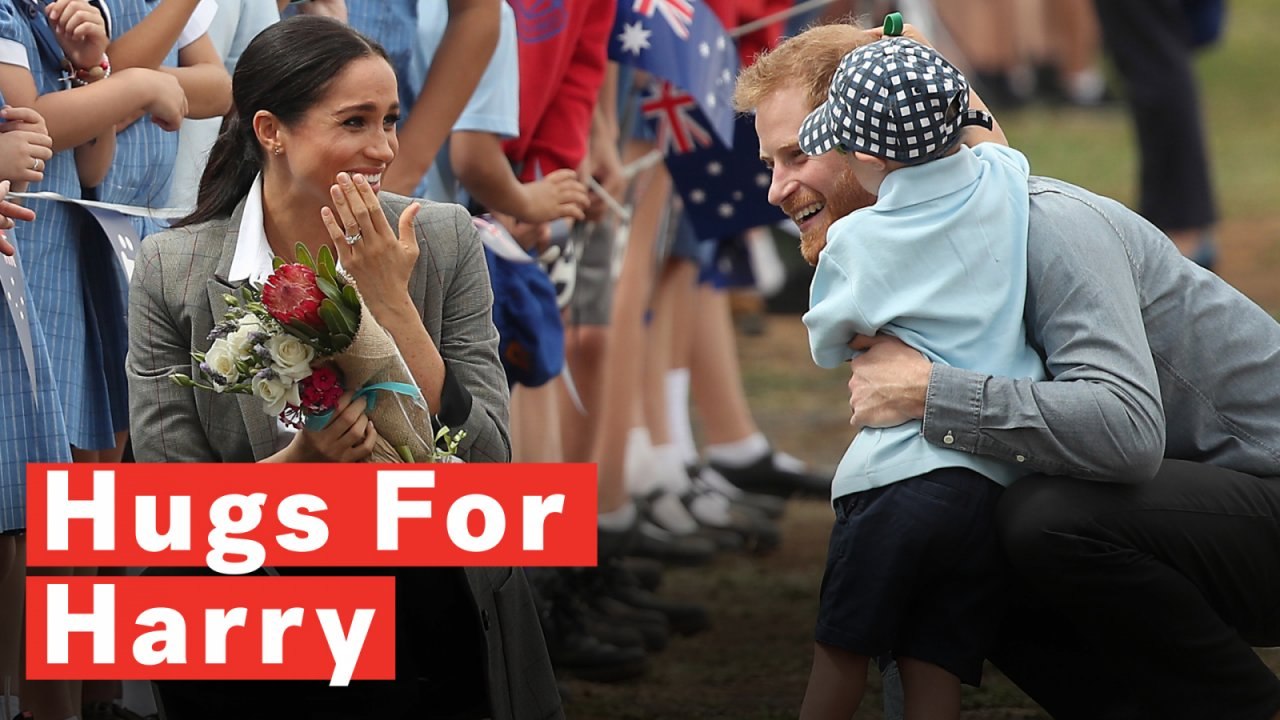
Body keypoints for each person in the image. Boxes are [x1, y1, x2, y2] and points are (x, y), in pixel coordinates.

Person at [737, 19, 1280, 720]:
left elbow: (1127, 432)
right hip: (1204, 513)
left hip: (1264, 489)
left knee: (1034, 518)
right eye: (770, 163)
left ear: (865, 143)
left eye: (797, 155)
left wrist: (934, 394)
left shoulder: (1044, 222)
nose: (777, 189)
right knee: (953, 520)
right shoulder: (920, 257)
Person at [126, 16, 561, 720]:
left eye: (390, 120)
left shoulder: (442, 237)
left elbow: (488, 466)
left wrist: (392, 303)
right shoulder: (171, 269)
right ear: (271, 130)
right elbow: (168, 510)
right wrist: (298, 469)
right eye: (355, 122)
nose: (383, 148)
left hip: (423, 589)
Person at [791, 31, 1040, 718]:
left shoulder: (856, 239)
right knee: (933, 662)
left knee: (840, 657)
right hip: (988, 485)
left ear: (868, 158)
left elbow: (827, 341)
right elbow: (992, 136)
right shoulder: (1002, 183)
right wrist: (937, 67)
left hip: (896, 482)